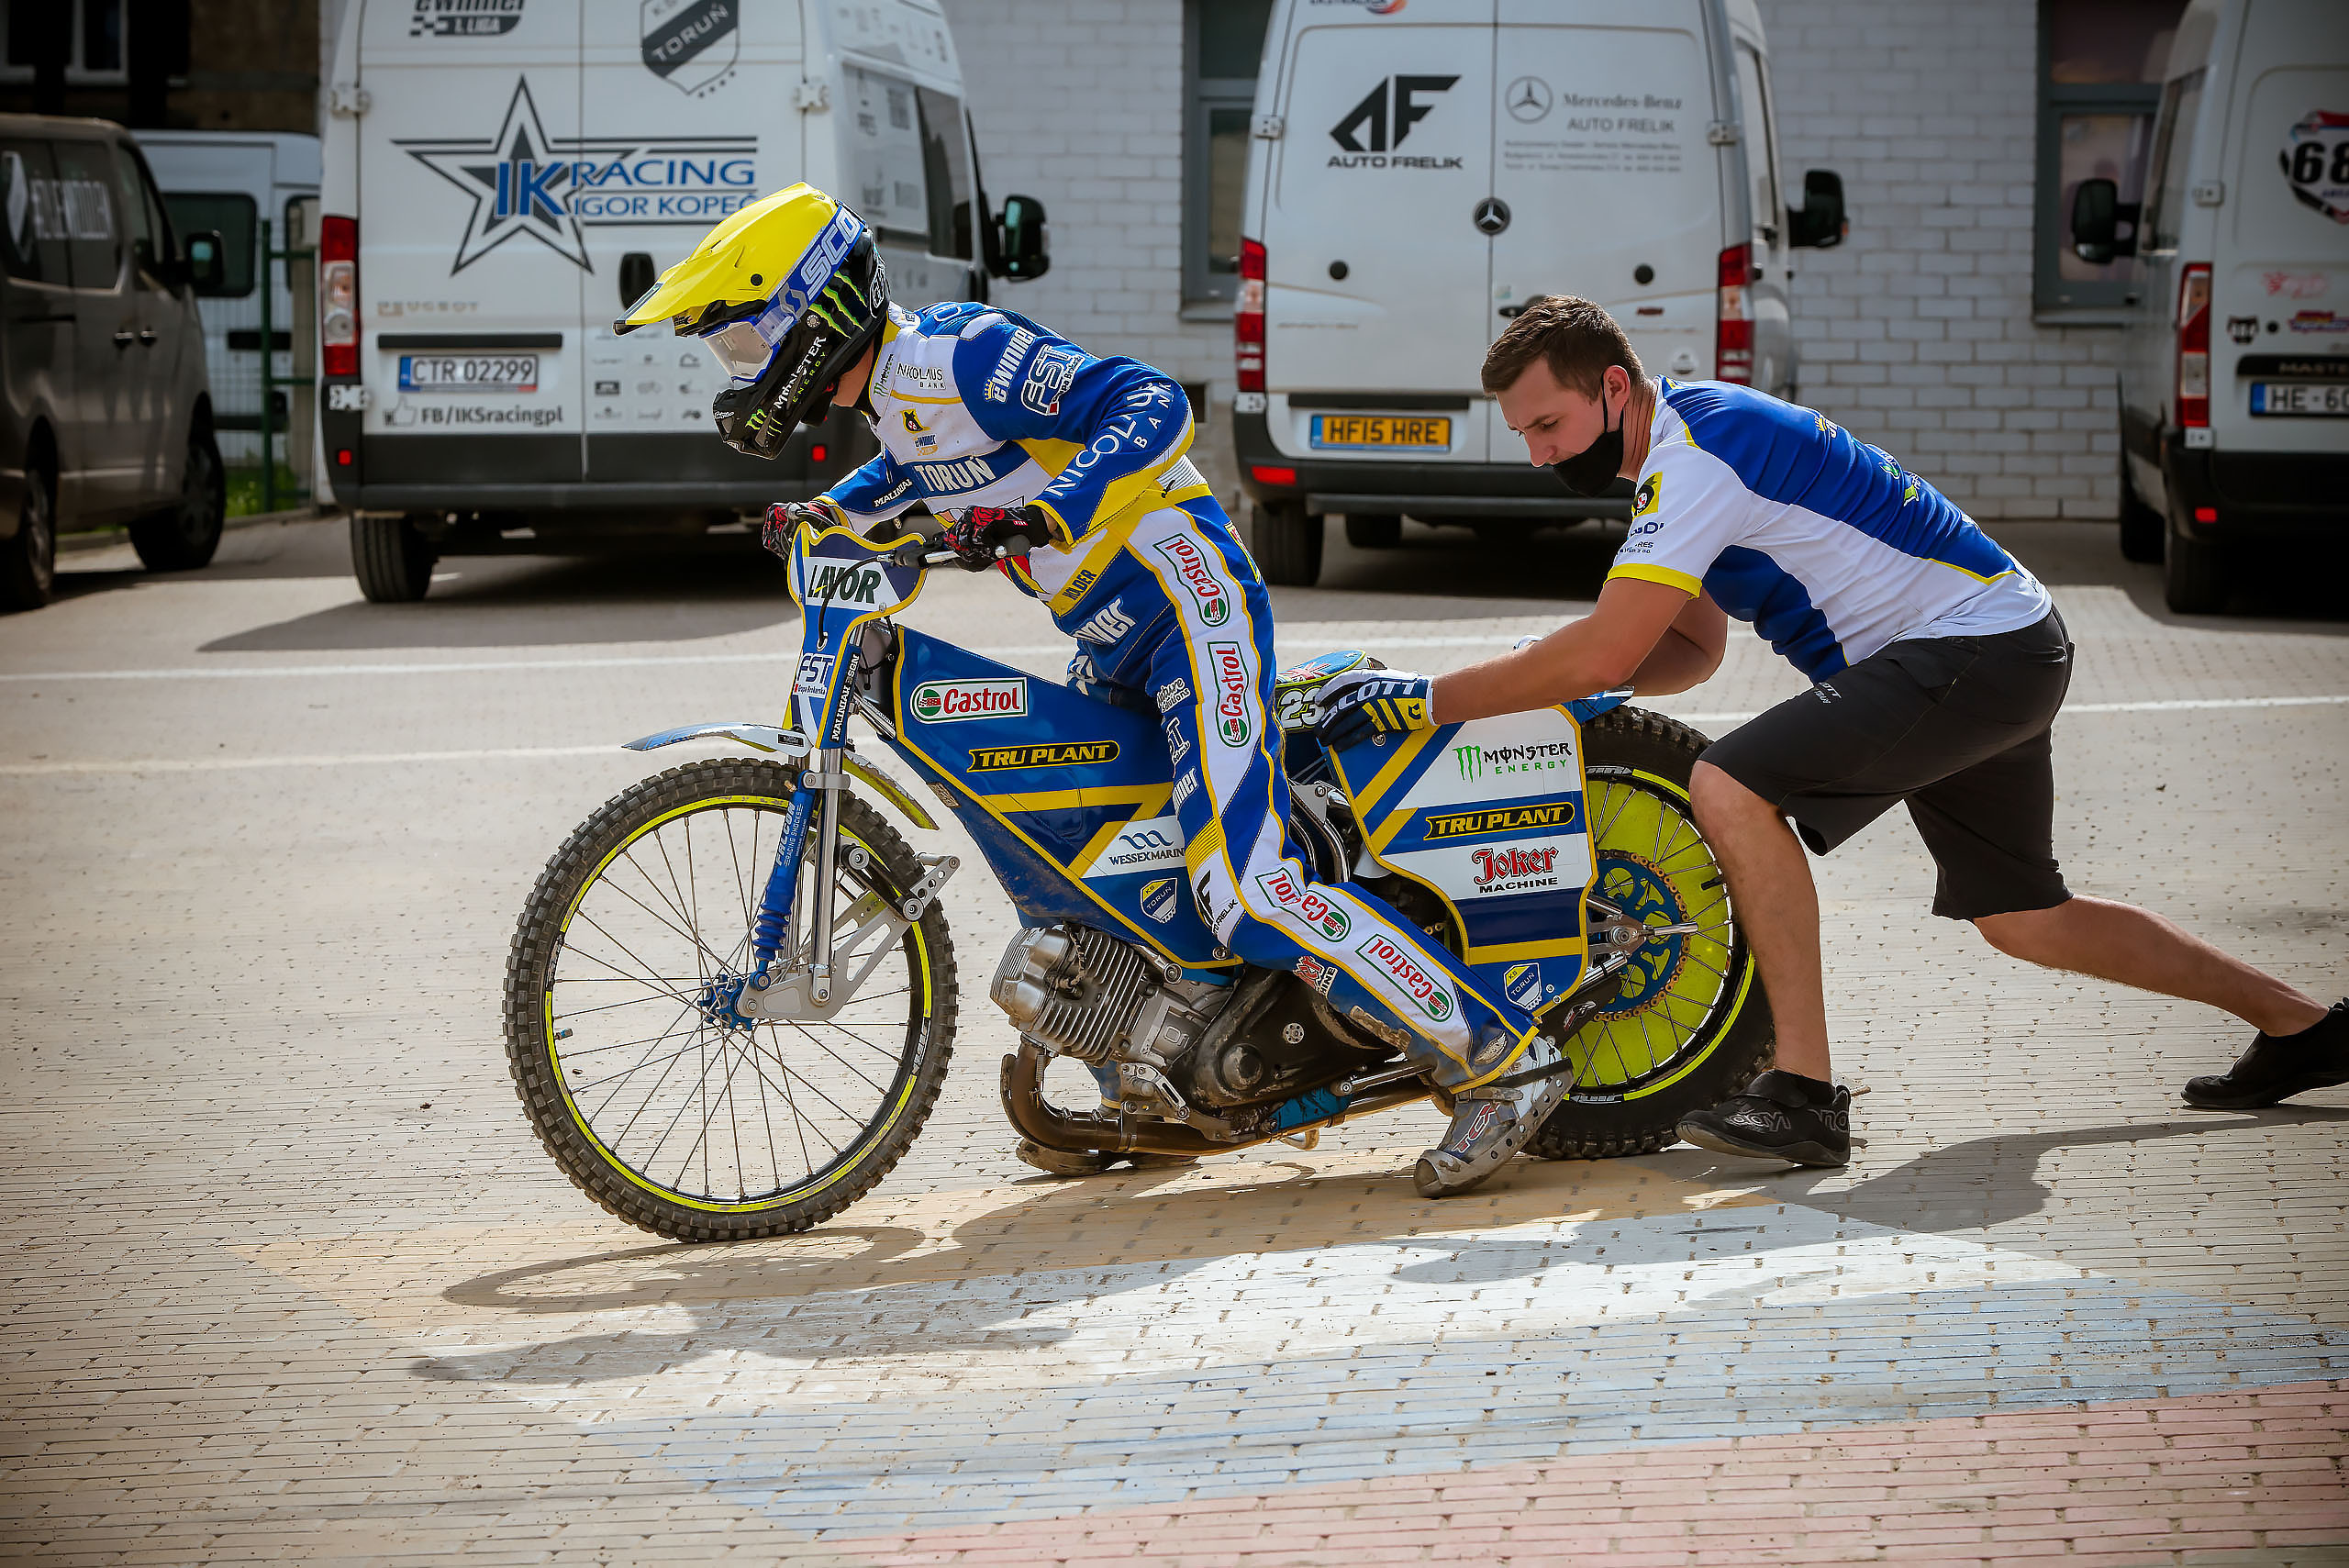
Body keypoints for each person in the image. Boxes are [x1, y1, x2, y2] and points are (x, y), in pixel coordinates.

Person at [613, 183, 1571, 1196]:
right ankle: (1159, 1083)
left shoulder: (959, 354)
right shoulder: (896, 400)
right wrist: (820, 512)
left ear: (812, 310)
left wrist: (1051, 512)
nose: (744, 369)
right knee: (1104, 864)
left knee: (1244, 889)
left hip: (1189, 610)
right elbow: (914, 478)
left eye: (745, 340)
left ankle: (1501, 1060)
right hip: (1115, 642)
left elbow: (1152, 403)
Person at [1313, 295, 2346, 1166]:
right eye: (1526, 435)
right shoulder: (1679, 453)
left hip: (1972, 650)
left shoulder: (1696, 454)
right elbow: (1688, 650)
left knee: (1726, 784)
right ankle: (2306, 1024)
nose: (1537, 455)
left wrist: (1426, 698)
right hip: (1997, 644)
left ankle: (1801, 1091)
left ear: (1611, 391)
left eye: (1546, 426)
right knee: (2025, 917)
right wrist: (1559, 684)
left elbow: (1605, 652)